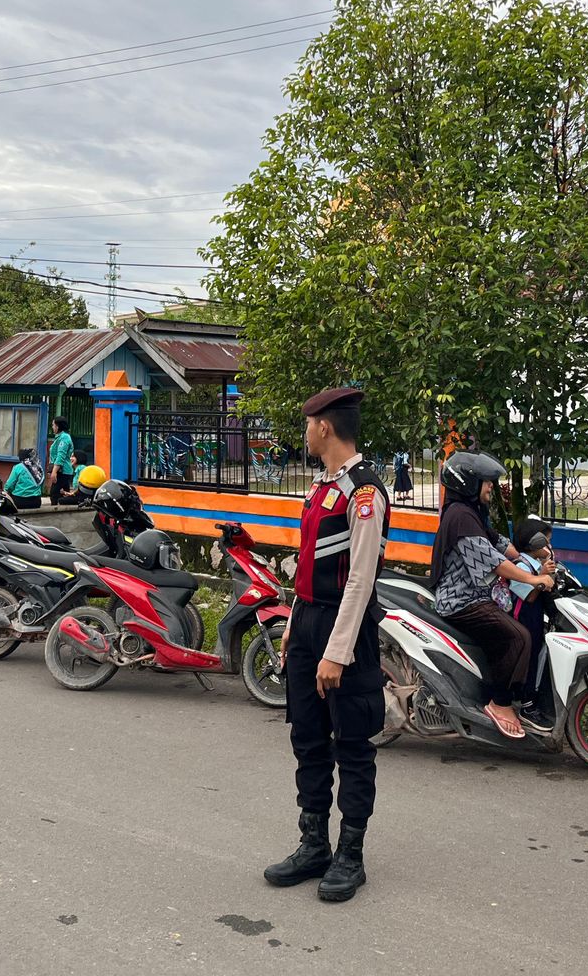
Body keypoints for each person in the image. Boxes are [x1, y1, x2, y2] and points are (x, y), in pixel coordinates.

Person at [264, 387, 387, 903]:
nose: (305, 431)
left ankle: (350, 856)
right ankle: (313, 843)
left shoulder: (364, 491)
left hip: (346, 631)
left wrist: (337, 651)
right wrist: (295, 618)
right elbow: (308, 562)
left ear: (324, 427)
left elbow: (360, 578)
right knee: (308, 740)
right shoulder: (321, 489)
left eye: (308, 423)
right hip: (309, 625)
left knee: (353, 746)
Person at [431, 451, 555, 738]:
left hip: (477, 594)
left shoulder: (470, 512)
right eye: (486, 482)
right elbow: (495, 563)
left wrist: (527, 558)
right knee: (518, 636)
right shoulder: (461, 517)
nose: (491, 487)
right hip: (460, 600)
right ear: (468, 484)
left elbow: (499, 544)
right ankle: (499, 703)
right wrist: (533, 578)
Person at [506, 516, 559, 726]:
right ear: (535, 544)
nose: (549, 547)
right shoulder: (521, 566)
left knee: (539, 655)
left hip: (536, 619)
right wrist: (542, 576)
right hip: (523, 622)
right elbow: (529, 596)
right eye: (546, 542)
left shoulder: (537, 563)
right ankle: (527, 704)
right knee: (530, 660)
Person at [47, 417, 76, 504]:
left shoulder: (64, 438)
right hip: (62, 470)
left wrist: (54, 472)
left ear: (58, 426)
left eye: (53, 425)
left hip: (62, 471)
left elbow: (61, 455)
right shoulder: (59, 437)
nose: (52, 427)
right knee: (63, 493)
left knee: (54, 493)